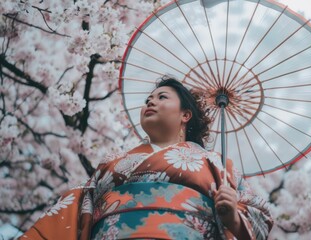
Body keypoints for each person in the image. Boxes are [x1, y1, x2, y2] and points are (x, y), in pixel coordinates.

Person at [20, 76, 273, 239]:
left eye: (162, 97)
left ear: (186, 115)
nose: (150, 102)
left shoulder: (216, 162)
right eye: (148, 99)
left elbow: (259, 218)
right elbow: (78, 208)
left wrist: (233, 217)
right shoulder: (112, 161)